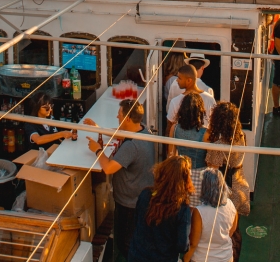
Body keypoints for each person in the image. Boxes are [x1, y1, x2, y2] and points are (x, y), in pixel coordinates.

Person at [83, 100, 155, 261]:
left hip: (129, 203)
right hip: (141, 198)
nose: (117, 116)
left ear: (127, 118)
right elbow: (119, 133)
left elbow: (108, 168)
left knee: (125, 243)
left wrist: (98, 150)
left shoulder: (131, 146)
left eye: (120, 114)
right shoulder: (143, 130)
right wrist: (98, 128)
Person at [126, 156, 201, 262]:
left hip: (137, 256)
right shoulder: (182, 209)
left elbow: (136, 221)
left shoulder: (145, 195)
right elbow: (182, 245)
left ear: (161, 172)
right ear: (185, 180)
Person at [167, 92, 207, 206]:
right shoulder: (206, 134)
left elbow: (171, 155)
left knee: (182, 207)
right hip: (200, 178)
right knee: (198, 212)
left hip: (181, 175)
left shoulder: (174, 128)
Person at [194, 169, 238, 262]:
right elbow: (232, 230)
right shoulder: (231, 205)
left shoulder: (199, 211)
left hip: (202, 258)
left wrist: (185, 259)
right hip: (226, 257)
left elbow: (194, 242)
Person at [166, 65, 216, 132]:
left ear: (189, 80)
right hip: (203, 141)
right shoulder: (210, 99)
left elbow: (170, 127)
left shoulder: (175, 101)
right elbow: (214, 124)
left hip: (181, 140)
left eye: (179, 78)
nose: (177, 80)